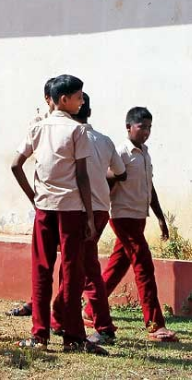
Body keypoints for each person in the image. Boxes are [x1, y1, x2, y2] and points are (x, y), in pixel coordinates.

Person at [11, 74, 104, 354]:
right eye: (79, 96)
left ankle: (39, 335)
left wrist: (34, 197)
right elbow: (82, 176)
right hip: (71, 210)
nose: (82, 101)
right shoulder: (78, 130)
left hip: (45, 208)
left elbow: (16, 165)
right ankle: (73, 337)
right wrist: (89, 215)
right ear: (64, 99)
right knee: (72, 272)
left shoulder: (37, 129)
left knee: (41, 271)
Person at [98, 107, 179, 342]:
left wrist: (161, 217)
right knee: (144, 267)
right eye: (141, 127)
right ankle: (155, 325)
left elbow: (149, 187)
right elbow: (106, 179)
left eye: (149, 127)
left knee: (118, 265)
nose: (146, 132)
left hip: (138, 216)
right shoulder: (122, 152)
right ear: (129, 127)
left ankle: (92, 308)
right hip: (122, 217)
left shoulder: (144, 153)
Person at [53, 93, 126, 345]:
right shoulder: (104, 140)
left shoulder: (68, 136)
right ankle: (62, 318)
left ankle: (101, 325)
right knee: (75, 264)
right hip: (99, 208)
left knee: (84, 267)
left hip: (78, 209)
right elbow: (120, 172)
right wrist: (101, 188)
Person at [7, 77, 57, 318]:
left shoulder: (73, 126)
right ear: (50, 99)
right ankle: (40, 308)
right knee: (45, 261)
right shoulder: (39, 126)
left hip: (63, 203)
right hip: (49, 201)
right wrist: (33, 197)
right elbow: (17, 163)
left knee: (63, 261)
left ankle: (54, 311)